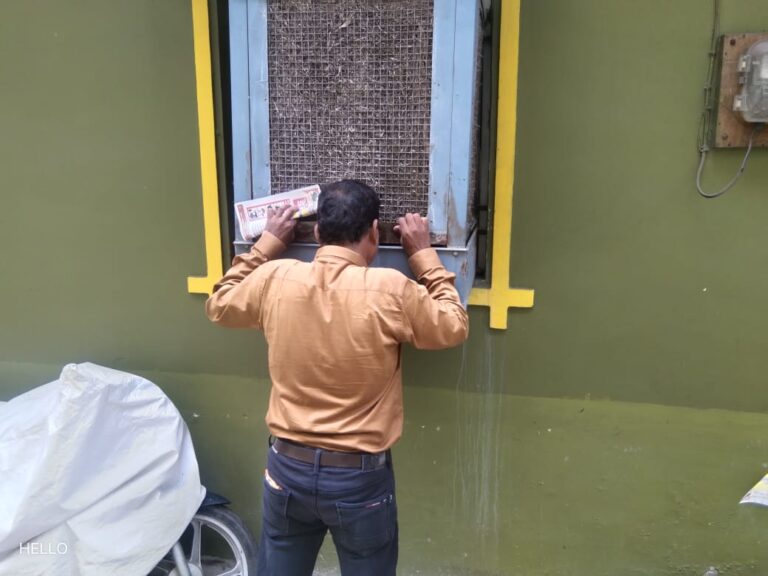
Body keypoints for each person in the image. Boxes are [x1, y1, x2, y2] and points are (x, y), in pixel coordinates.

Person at [205, 179, 469, 576]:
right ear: (374, 232)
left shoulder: (275, 277)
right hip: (358, 479)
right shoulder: (390, 289)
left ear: (316, 232)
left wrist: (264, 246)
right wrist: (424, 256)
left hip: (285, 469)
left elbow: (219, 305)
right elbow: (453, 326)